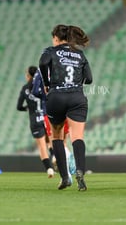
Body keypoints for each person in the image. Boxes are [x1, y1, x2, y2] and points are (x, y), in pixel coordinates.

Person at [39, 24, 92, 191]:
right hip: (77, 97)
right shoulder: (79, 54)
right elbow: (89, 79)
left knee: (57, 137)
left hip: (56, 96)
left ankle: (64, 178)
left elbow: (42, 64)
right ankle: (80, 173)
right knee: (78, 137)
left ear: (56, 37)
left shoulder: (50, 51)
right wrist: (75, 86)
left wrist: (47, 84)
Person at [31, 68, 76, 178]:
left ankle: (66, 173)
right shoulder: (65, 66)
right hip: (67, 107)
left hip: (50, 108)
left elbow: (35, 91)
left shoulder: (41, 71)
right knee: (63, 142)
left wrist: (45, 93)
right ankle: (70, 159)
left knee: (55, 141)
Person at [16, 66, 54, 178]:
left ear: (28, 75)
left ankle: (49, 169)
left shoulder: (25, 89)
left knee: (42, 147)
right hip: (46, 117)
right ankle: (55, 157)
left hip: (35, 120)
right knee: (51, 141)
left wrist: (27, 108)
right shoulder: (42, 86)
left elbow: (19, 107)